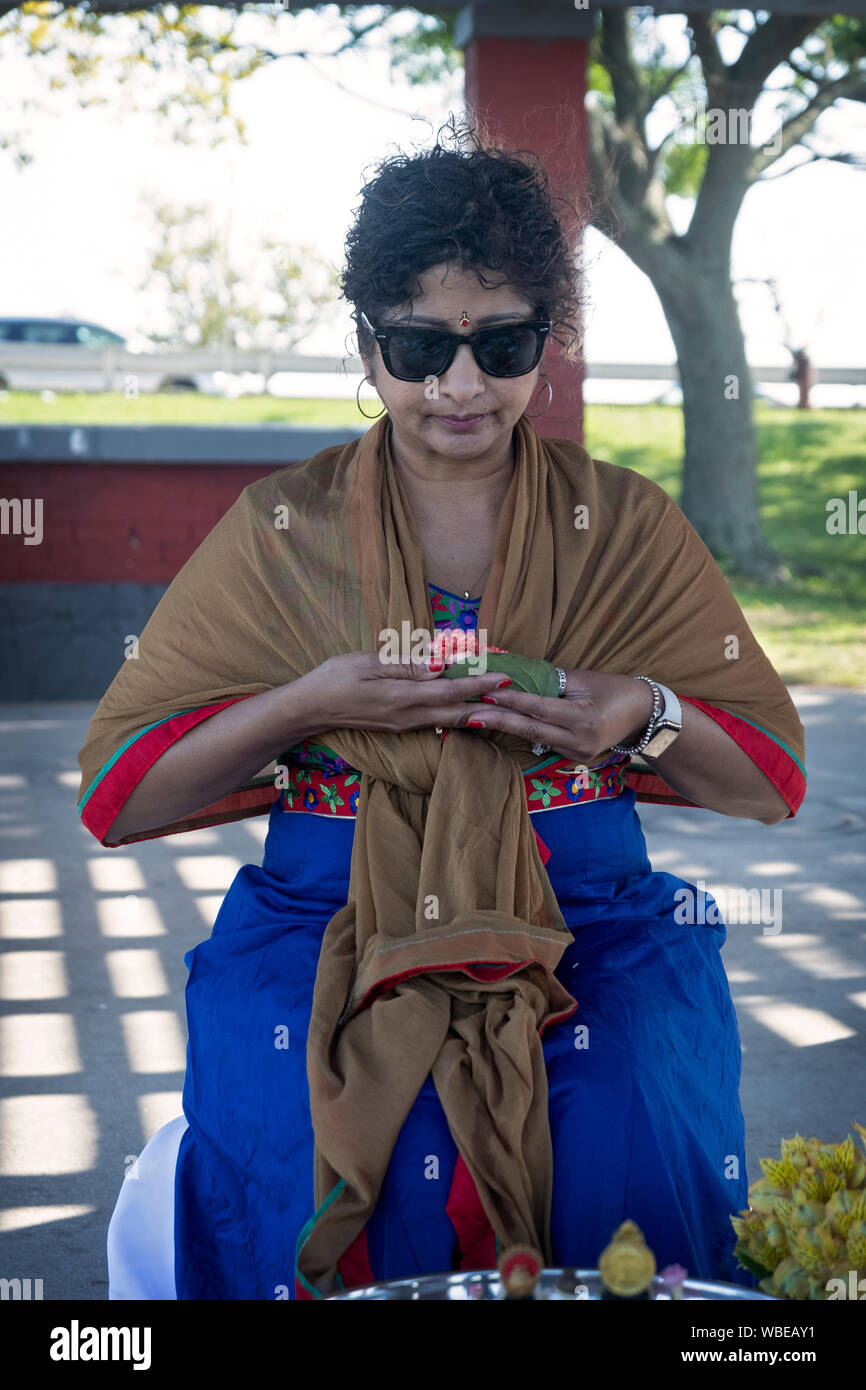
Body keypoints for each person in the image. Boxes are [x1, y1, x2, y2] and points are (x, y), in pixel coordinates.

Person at [78, 125, 806, 1301]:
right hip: (325, 914)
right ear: (368, 346)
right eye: (419, 346)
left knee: (618, 1090)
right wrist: (305, 703)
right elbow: (121, 794)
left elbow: (765, 780)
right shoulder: (278, 531)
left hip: (590, 915)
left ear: (547, 343)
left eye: (499, 343)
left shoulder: (621, 526)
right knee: (291, 1095)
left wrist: (638, 710)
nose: (458, 385)